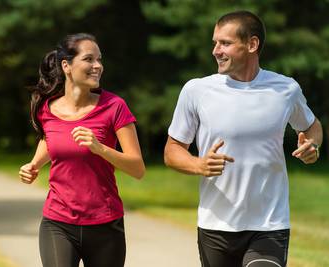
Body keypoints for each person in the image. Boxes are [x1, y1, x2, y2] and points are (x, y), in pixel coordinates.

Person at [164, 10, 323, 267]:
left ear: (252, 44)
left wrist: (312, 145)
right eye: (215, 42)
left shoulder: (285, 89)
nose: (216, 50)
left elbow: (312, 126)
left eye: (225, 43)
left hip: (269, 224)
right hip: (216, 224)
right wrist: (199, 165)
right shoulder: (197, 90)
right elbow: (172, 151)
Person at [19, 33, 145, 267]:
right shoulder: (47, 109)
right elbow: (51, 139)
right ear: (66, 65)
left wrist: (100, 149)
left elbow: (137, 168)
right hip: (57, 222)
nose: (97, 66)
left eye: (99, 59)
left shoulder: (114, 107)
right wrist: (34, 164)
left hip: (105, 224)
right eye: (89, 59)